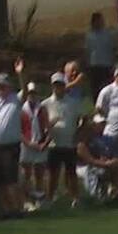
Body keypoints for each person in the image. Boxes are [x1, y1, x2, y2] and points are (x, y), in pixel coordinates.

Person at [0, 74, 28, 215]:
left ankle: (18, 208)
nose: (1, 88)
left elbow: (25, 91)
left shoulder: (15, 99)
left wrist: (20, 74)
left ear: (9, 87)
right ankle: (6, 209)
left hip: (9, 146)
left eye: (4, 85)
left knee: (11, 180)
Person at [41, 72, 84, 205]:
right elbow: (42, 124)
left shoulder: (73, 102)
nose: (58, 87)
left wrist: (78, 135)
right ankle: (49, 198)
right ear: (52, 86)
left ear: (64, 85)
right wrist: (49, 126)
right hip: (54, 143)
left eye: (60, 85)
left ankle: (75, 198)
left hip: (70, 143)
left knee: (71, 173)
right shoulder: (45, 103)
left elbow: (81, 120)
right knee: (52, 173)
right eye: (55, 85)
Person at [85, 12, 118, 96]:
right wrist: (87, 65)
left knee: (108, 88)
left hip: (106, 65)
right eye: (98, 21)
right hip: (94, 66)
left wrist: (113, 63)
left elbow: (113, 49)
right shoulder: (89, 36)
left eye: (101, 20)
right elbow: (88, 51)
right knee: (95, 90)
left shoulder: (108, 34)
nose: (100, 22)